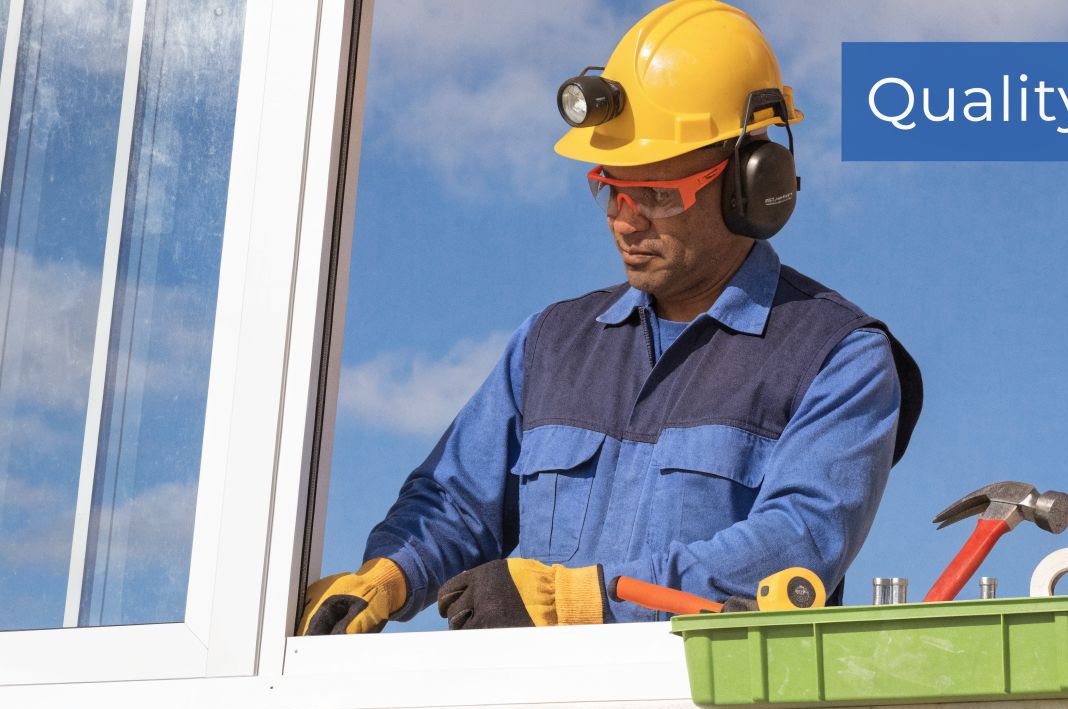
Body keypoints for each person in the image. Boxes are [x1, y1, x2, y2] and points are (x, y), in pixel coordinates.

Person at [300, 0, 922, 635]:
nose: (625, 220)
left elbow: (794, 549)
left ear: (753, 186)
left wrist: (589, 600)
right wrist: (386, 575)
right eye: (611, 188)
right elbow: (456, 503)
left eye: (656, 194)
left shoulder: (836, 355)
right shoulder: (550, 345)